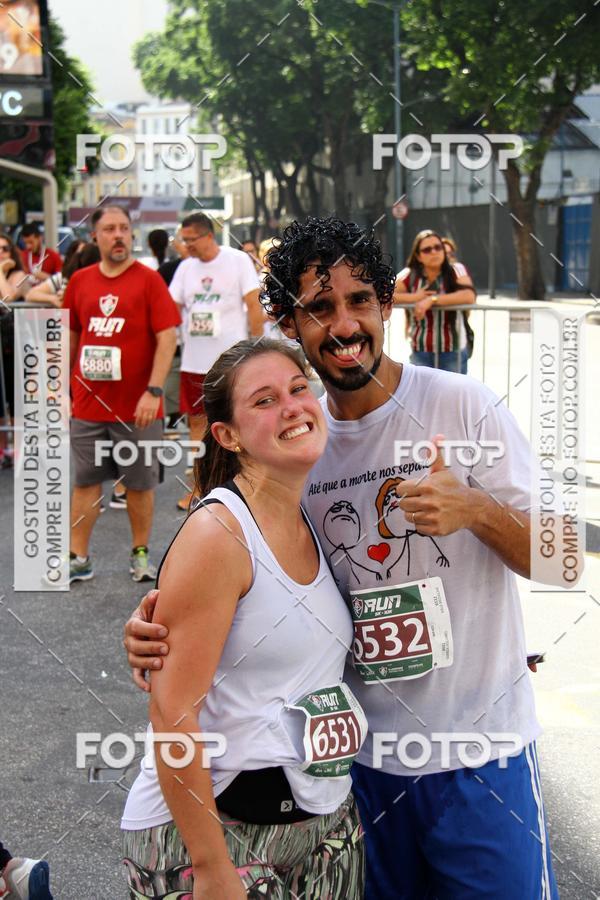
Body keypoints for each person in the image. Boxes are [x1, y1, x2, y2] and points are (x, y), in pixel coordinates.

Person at [126, 216, 571, 899]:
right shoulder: (298, 441)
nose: (344, 324)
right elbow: (238, 567)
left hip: (482, 761)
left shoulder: (465, 407)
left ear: (386, 307)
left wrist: (477, 511)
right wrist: (161, 628)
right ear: (286, 321)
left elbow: (564, 560)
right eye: (319, 307)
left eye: (360, 301)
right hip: (356, 775)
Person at [121, 338, 366, 898]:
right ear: (227, 435)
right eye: (264, 400)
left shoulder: (312, 512)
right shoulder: (220, 535)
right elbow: (172, 714)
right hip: (218, 837)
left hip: (321, 826)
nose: (292, 406)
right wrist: (210, 868)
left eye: (299, 389)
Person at [63, 205, 180, 583]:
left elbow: (167, 338)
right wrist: (64, 386)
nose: (118, 235)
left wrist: (154, 391)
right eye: (110, 229)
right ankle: (78, 556)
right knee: (84, 483)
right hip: (87, 404)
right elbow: (72, 335)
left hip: (139, 408)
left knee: (139, 484)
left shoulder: (148, 280)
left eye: (125, 229)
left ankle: (140, 552)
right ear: (95, 236)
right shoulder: (79, 281)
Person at [168, 213, 263, 511]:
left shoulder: (236, 261)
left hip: (230, 361)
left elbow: (253, 305)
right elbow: (173, 307)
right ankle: (199, 487)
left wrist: (256, 348)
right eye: (183, 240)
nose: (186, 245)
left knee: (237, 423)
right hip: (194, 362)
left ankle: (244, 485)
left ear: (208, 236)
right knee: (197, 427)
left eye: (190, 240)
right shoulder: (185, 268)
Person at [393, 229, 476, 374]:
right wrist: (415, 298)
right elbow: (386, 294)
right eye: (427, 249)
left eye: (438, 247)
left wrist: (432, 300)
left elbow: (469, 296)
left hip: (452, 350)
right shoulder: (410, 274)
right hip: (421, 350)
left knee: (452, 396)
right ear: (418, 256)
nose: (434, 252)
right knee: (424, 396)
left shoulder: (456, 269)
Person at [0, 233, 29, 468]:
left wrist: (0, 271)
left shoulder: (19, 275)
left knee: (15, 398)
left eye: (4, 249)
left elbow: (8, 296)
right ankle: (2, 451)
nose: (0, 252)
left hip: (13, 344)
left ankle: (19, 452)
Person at [25, 242, 101, 308]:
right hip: (66, 321)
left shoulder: (100, 280)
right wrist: (53, 299)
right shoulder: (63, 277)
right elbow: (30, 295)